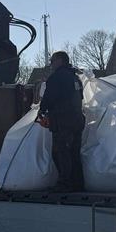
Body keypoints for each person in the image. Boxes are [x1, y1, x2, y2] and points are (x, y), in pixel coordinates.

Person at [38, 51, 85, 192]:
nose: (51, 64)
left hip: (63, 120)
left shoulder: (57, 78)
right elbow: (80, 98)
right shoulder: (75, 78)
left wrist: (42, 110)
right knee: (74, 153)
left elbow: (49, 97)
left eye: (52, 61)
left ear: (59, 61)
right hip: (77, 120)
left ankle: (65, 183)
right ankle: (78, 183)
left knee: (60, 152)